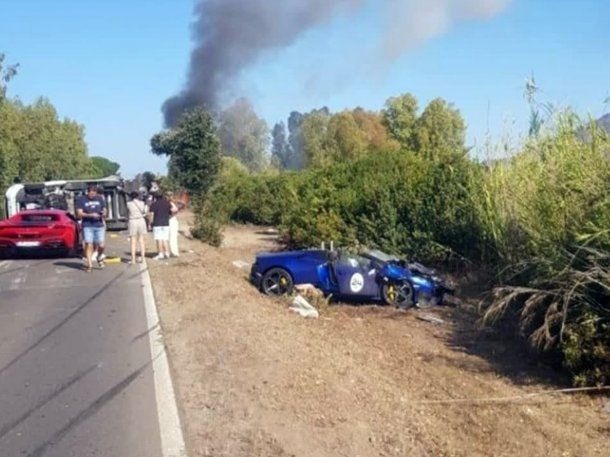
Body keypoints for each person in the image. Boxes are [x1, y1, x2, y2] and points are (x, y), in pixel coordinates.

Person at [76, 185, 107, 272]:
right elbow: (79, 213)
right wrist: (90, 215)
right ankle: (90, 265)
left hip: (99, 225)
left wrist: (104, 213)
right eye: (91, 193)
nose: (93, 195)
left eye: (94, 193)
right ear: (88, 192)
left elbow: (104, 209)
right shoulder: (81, 200)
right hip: (87, 225)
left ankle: (99, 256)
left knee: (101, 245)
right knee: (89, 244)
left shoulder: (100, 199)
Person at [148, 192, 171, 260]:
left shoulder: (154, 204)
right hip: (166, 223)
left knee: (159, 239)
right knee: (165, 239)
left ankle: (160, 254)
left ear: (155, 197)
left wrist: (150, 223)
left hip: (157, 223)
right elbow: (171, 211)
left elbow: (151, 215)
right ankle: (167, 253)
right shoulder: (167, 203)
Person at [127, 191, 148, 264]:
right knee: (141, 240)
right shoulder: (142, 203)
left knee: (133, 241)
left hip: (133, 221)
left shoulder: (129, 204)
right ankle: (142, 258)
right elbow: (145, 211)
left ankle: (133, 259)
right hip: (141, 221)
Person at [167, 191, 180, 257]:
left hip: (173, 220)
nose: (170, 197)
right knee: (172, 237)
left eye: (171, 195)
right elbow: (173, 212)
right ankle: (173, 252)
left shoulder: (172, 203)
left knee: (173, 237)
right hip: (171, 220)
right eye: (169, 195)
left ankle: (174, 251)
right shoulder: (169, 204)